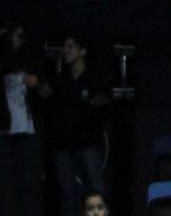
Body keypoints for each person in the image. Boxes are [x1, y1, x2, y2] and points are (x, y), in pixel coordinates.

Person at [0, 20, 43, 216]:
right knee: (2, 185)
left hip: (23, 128)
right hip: (0, 128)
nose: (19, 41)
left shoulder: (26, 58)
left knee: (25, 182)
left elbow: (43, 87)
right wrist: (3, 42)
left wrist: (37, 83)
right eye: (16, 36)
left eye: (22, 37)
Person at [40, 35, 109, 216]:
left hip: (88, 143)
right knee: (67, 195)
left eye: (70, 46)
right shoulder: (59, 80)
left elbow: (103, 99)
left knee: (96, 191)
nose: (66, 50)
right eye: (64, 47)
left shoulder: (95, 78)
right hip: (62, 146)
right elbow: (43, 93)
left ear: (82, 51)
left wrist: (98, 101)